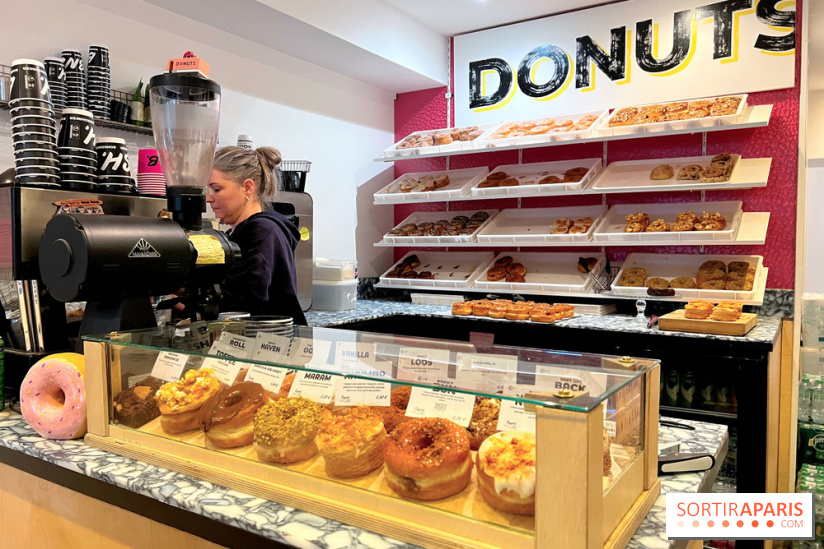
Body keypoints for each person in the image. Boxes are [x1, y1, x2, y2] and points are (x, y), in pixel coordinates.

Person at [207, 145, 307, 325]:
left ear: (247, 187)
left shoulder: (261, 232)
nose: (209, 198)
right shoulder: (246, 231)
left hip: (268, 345)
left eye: (217, 189)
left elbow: (245, 302)